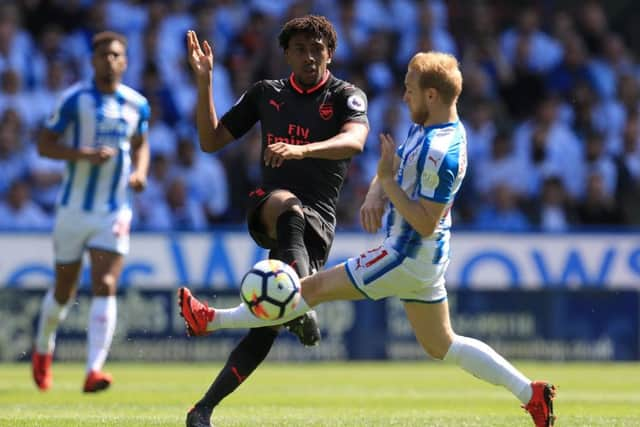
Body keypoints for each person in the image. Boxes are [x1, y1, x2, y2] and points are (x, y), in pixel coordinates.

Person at [179, 51, 557, 427]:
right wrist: (379, 189)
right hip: (422, 258)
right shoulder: (429, 126)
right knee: (441, 344)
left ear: (431, 95)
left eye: (409, 89)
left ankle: (210, 320)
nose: (403, 96)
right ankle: (531, 393)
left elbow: (424, 221)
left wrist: (387, 185)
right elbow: (392, 170)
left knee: (309, 290)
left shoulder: (441, 152)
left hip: (407, 254)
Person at [182, 15, 369, 427]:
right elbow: (211, 140)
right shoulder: (266, 94)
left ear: (330, 54)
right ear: (286, 54)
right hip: (270, 204)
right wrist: (205, 82)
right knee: (288, 207)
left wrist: (301, 151)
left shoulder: (345, 95)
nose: (309, 56)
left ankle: (202, 409)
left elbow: (354, 141)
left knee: (266, 326)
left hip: (318, 222)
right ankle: (303, 306)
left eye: (317, 49)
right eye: (300, 49)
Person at [31, 31, 150, 393]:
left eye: (116, 55)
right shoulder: (73, 100)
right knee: (64, 291)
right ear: (93, 61)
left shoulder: (136, 104)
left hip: (114, 210)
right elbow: (44, 145)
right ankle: (42, 349)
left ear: (125, 61)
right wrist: (83, 155)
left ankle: (93, 370)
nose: (110, 61)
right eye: (103, 55)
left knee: (107, 283)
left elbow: (142, 143)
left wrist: (141, 172)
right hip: (73, 210)